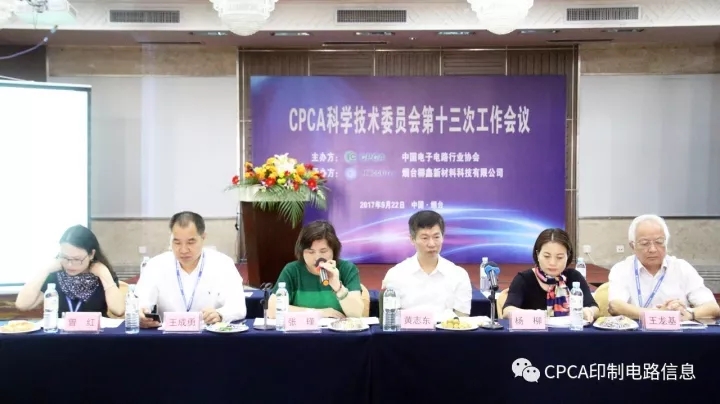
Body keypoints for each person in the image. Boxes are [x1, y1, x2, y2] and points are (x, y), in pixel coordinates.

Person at [135, 211, 247, 327]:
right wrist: (141, 313)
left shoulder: (223, 264)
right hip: (167, 335)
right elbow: (141, 302)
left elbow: (238, 307)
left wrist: (220, 314)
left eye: (190, 242)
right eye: (177, 242)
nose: (183, 250)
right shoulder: (156, 265)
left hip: (209, 334)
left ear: (203, 237)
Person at [608, 214, 720, 320]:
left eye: (659, 242)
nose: (653, 249)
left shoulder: (682, 268)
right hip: (637, 332)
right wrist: (657, 315)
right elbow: (615, 306)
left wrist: (688, 313)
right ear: (633, 246)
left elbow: (713, 307)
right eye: (645, 243)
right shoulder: (621, 269)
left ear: (666, 242)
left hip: (676, 332)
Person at [15, 225, 124, 317]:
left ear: (91, 254)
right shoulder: (55, 274)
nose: (70, 264)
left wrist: (104, 274)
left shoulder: (101, 274)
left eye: (77, 259)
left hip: (94, 334)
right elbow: (22, 305)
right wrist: (44, 270)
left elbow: (119, 310)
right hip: (60, 334)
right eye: (65, 257)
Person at [382, 210, 472, 319]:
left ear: (443, 237)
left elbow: (462, 319)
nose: (431, 244)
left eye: (436, 237)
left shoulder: (458, 275)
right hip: (407, 330)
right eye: (425, 238)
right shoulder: (395, 274)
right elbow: (390, 318)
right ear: (412, 239)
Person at [268, 220, 363, 319]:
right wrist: (319, 313)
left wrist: (338, 287)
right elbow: (272, 310)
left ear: (333, 250)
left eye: (323, 251)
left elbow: (356, 314)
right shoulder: (292, 270)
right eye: (310, 252)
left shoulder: (347, 269)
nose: (317, 258)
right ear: (302, 252)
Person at [502, 228, 598, 322]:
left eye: (559, 257)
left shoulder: (574, 277)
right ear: (538, 254)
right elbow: (507, 311)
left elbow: (594, 308)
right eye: (547, 256)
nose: (552, 263)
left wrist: (589, 311)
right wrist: (535, 315)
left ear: (568, 256)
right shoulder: (524, 279)